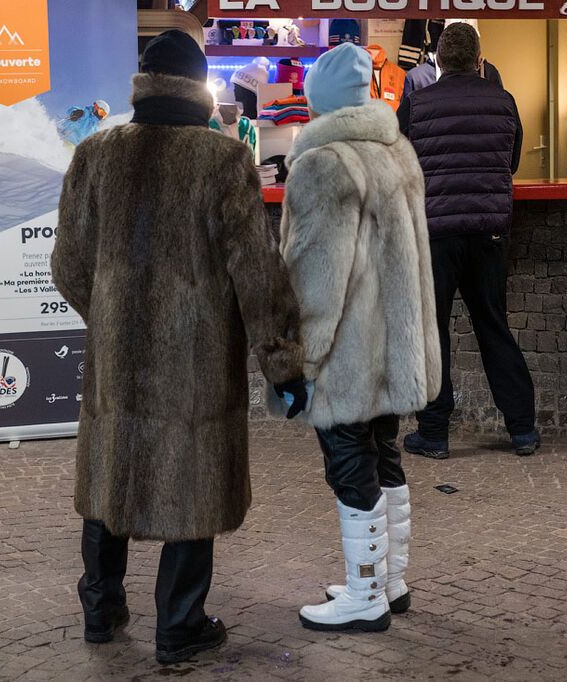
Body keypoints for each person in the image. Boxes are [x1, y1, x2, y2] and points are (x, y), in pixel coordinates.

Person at [51, 30, 306, 665]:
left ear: (144, 81)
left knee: (110, 474)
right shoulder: (221, 161)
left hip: (116, 361)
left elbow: (67, 266)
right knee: (195, 479)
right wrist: (282, 361)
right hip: (195, 360)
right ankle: (179, 625)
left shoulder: (96, 155)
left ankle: (100, 608)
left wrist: (110, 315)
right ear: (199, 88)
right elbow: (257, 271)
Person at [276, 43, 440, 632]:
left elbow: (315, 281)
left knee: (348, 463)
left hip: (347, 350)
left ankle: (365, 595)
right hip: (393, 346)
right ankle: (389, 581)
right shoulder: (397, 151)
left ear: (319, 101)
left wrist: (302, 358)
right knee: (383, 452)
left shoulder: (323, 165)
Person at [398, 22, 540, 459]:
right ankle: (522, 429)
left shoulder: (416, 104)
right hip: (489, 232)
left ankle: (435, 433)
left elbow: (401, 164)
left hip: (435, 234)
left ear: (437, 61)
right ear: (480, 61)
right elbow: (511, 163)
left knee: (433, 331)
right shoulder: (504, 102)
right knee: (493, 326)